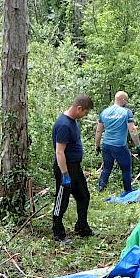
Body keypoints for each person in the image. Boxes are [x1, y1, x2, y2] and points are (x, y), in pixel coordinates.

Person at [52, 95, 95, 243]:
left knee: (84, 196)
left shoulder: (73, 122)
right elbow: (59, 151)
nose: (85, 116)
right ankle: (58, 233)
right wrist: (65, 174)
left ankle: (82, 227)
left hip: (75, 167)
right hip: (65, 168)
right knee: (62, 200)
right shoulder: (64, 124)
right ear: (79, 108)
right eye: (85, 112)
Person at [95, 91, 140, 193]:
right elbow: (132, 130)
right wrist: (138, 146)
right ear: (122, 99)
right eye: (126, 100)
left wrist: (97, 146)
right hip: (119, 146)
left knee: (107, 168)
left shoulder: (104, 112)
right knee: (126, 169)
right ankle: (128, 192)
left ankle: (100, 189)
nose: (126, 102)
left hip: (106, 145)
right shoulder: (126, 112)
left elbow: (99, 130)